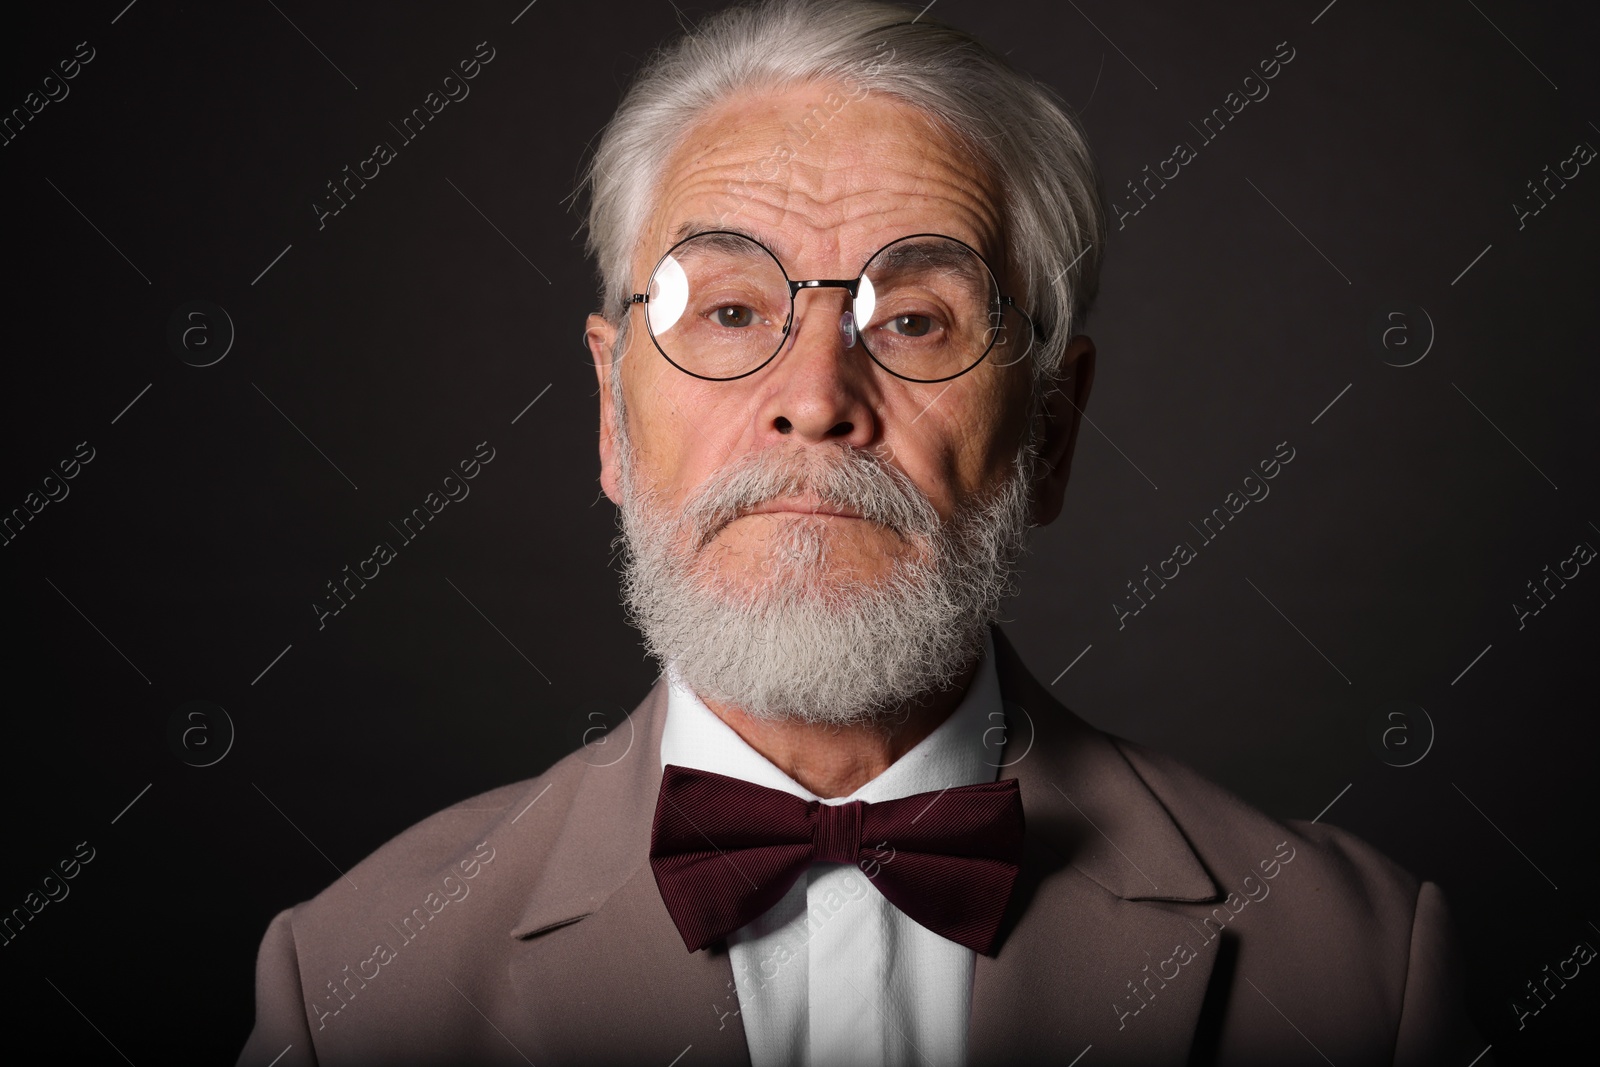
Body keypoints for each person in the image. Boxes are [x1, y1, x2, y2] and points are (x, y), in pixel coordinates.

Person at [237, 2, 1488, 1063]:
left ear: (1048, 430)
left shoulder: (1358, 972)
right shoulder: (349, 982)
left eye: (917, 321)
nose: (817, 396)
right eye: (728, 308)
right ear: (613, 416)